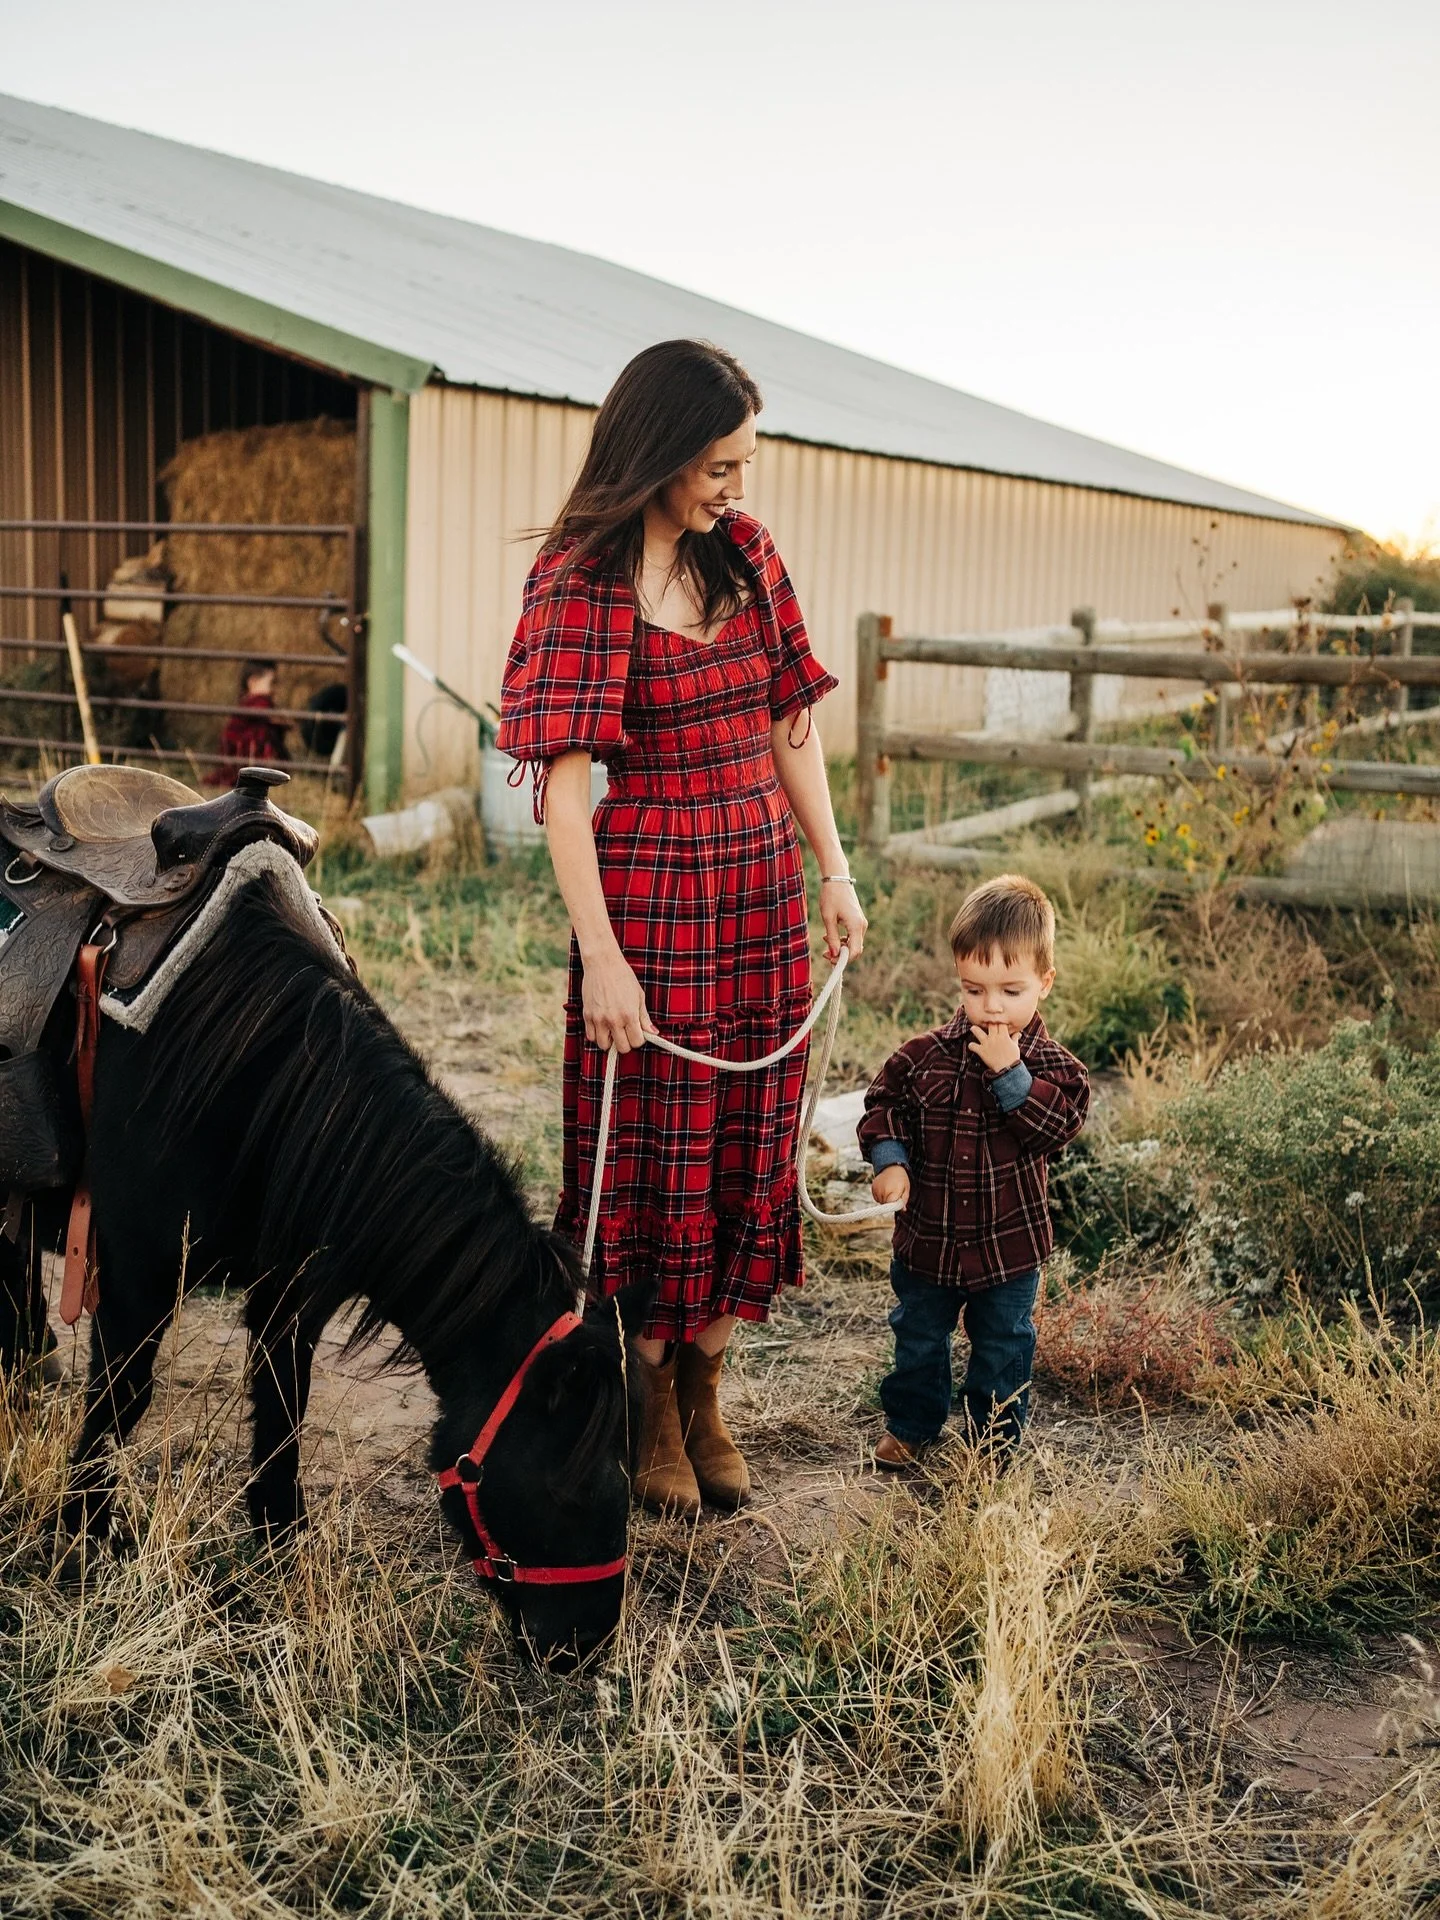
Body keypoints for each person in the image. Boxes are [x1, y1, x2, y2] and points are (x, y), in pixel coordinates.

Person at [496, 339, 866, 1518]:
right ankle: (647, 1396)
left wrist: (833, 870)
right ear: (656, 453)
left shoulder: (746, 554)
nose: (735, 487)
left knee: (750, 1138)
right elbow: (563, 794)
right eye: (717, 466)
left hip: (758, 887)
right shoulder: (581, 581)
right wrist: (602, 958)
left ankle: (708, 1390)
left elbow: (791, 724)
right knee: (660, 1149)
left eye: (744, 463)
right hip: (652, 891)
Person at [856, 874, 1089, 1468]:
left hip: (1008, 1250)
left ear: (1045, 982)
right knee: (918, 1337)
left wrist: (1012, 1075)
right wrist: (890, 1160)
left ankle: (992, 1444)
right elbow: (883, 1107)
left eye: (1011, 990)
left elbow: (1057, 1129)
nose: (992, 1006)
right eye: (974, 989)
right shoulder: (923, 1056)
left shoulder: (1057, 1069)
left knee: (1003, 1346)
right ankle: (912, 1425)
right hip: (928, 1242)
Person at [209, 659, 288, 783]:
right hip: (248, 758)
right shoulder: (258, 703)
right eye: (271, 683)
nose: (273, 689)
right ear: (253, 682)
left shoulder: (250, 704)